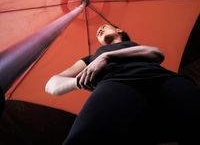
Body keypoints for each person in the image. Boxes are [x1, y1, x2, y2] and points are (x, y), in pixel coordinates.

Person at [45, 24, 200, 145]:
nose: (99, 30)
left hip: (163, 79)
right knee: (85, 137)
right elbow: (51, 84)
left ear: (119, 30)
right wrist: (79, 81)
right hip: (115, 83)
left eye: (104, 27)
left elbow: (156, 53)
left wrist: (107, 56)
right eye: (98, 32)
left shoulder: (132, 45)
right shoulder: (91, 58)